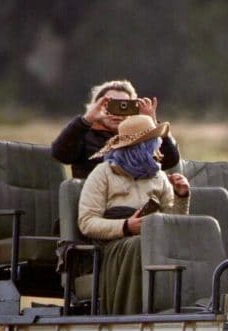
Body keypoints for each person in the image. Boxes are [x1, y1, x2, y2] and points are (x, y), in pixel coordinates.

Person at [77, 115, 190, 315]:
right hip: (115, 247)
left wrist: (182, 195)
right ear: (139, 149)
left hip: (155, 241)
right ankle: (131, 313)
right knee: (139, 244)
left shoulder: (160, 177)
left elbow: (173, 223)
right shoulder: (103, 173)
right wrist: (126, 226)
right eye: (153, 146)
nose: (158, 152)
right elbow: (87, 223)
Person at [52, 79, 181, 179]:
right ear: (97, 106)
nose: (117, 113)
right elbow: (61, 155)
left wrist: (151, 124)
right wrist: (85, 120)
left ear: (133, 110)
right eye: (110, 105)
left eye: (124, 106)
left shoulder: (140, 137)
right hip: (96, 203)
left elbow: (170, 161)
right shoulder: (83, 134)